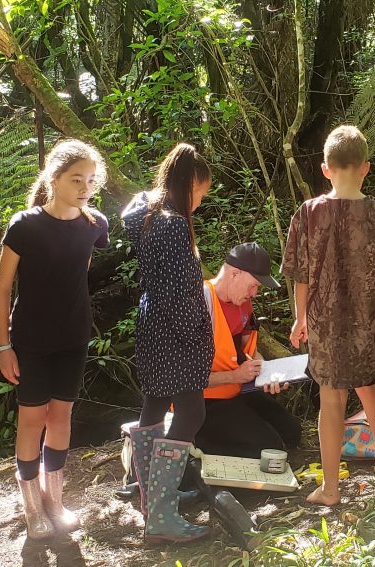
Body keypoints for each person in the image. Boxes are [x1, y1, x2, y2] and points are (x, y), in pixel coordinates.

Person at [283, 124, 375, 506]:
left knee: (332, 401)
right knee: (369, 385)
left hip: (325, 322)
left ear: (325, 168)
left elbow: (301, 274)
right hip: (366, 321)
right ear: (366, 167)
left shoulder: (309, 213)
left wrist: (300, 318)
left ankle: (330, 489)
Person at [0, 140, 109, 540]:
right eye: (76, 179)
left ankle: (54, 500)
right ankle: (31, 507)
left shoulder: (95, 225)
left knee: (61, 418)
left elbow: (77, 276)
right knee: (31, 420)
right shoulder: (24, 225)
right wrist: (4, 346)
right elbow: (2, 288)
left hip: (74, 337)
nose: (85, 188)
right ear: (53, 178)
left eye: (91, 180)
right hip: (31, 340)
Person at [121, 142, 214, 542]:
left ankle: (152, 499)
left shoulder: (144, 213)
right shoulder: (174, 225)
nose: (199, 203)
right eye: (200, 194)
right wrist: (200, 337)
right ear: (189, 183)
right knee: (191, 414)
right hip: (175, 332)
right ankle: (161, 516)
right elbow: (179, 294)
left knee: (155, 406)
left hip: (151, 324)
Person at [194, 242, 302, 458]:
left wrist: (268, 374)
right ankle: (194, 445)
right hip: (203, 400)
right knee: (268, 448)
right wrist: (235, 375)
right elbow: (184, 377)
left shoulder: (244, 304)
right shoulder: (199, 303)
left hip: (238, 390)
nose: (254, 293)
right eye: (253, 285)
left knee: (292, 433)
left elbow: (250, 350)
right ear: (235, 273)